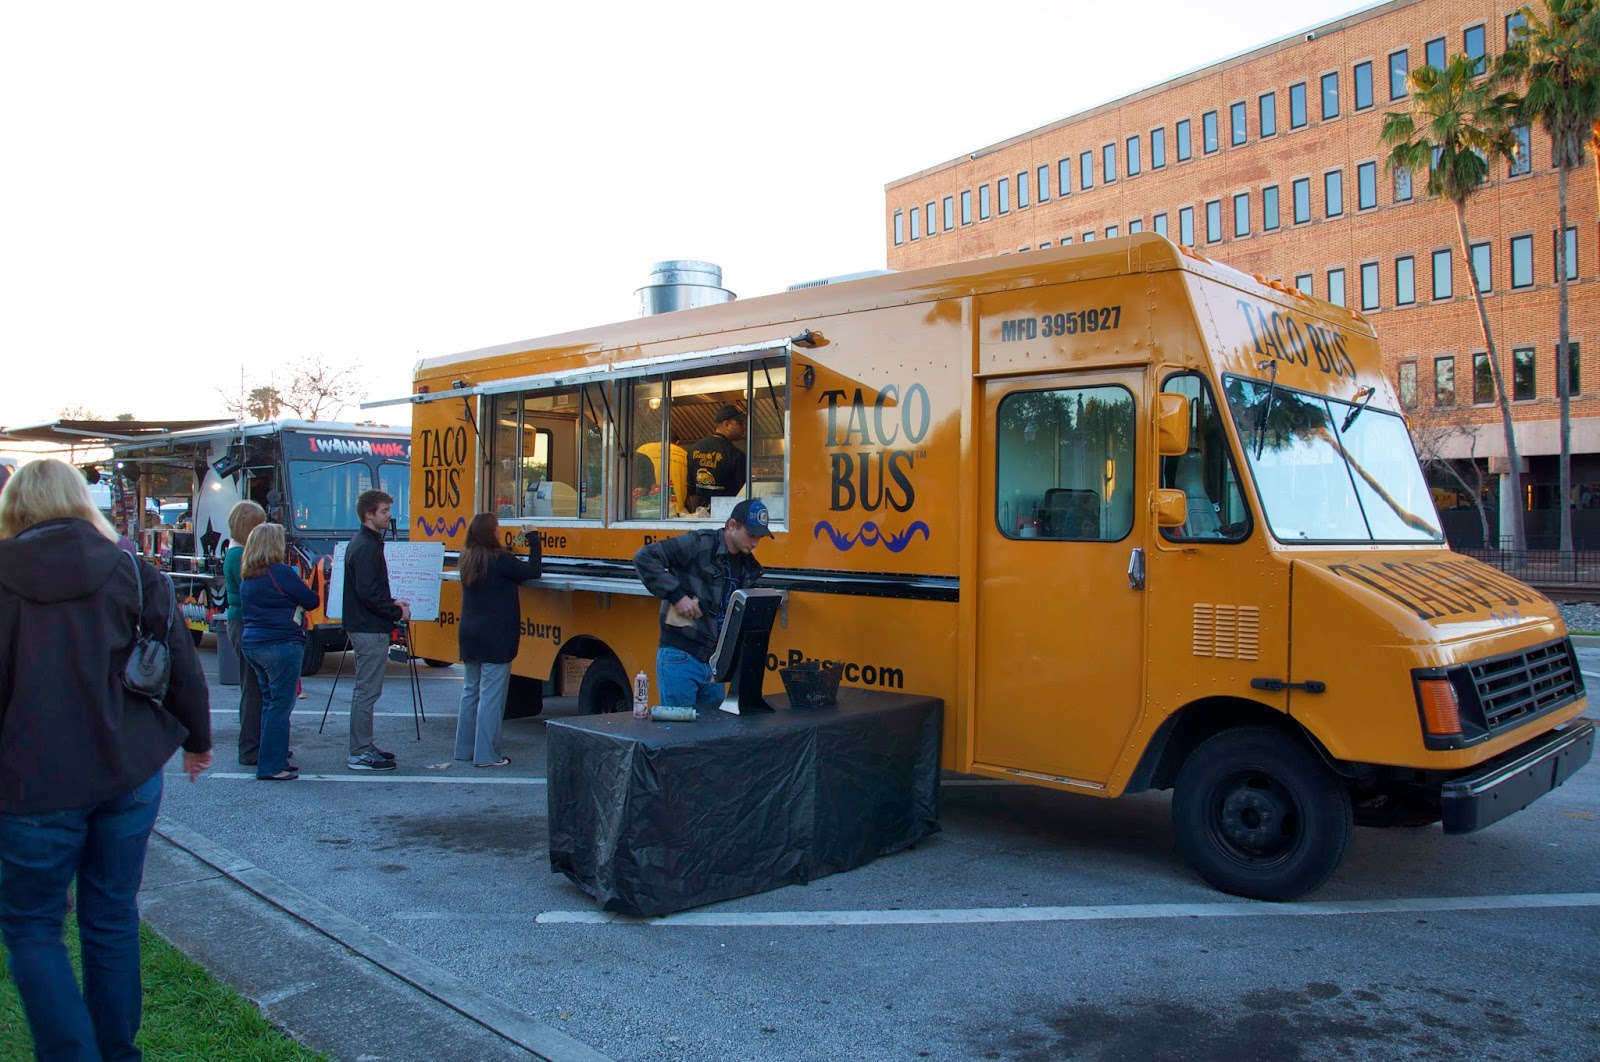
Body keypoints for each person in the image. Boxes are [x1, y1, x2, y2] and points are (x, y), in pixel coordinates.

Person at [0, 458, 212, 1061]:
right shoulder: (134, 571)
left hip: (33, 780)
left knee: (34, 925)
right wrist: (197, 740)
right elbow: (180, 663)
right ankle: (115, 1052)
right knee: (112, 915)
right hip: (127, 768)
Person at [632, 496, 773, 708]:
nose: (755, 543)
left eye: (760, 537)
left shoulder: (748, 567)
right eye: (751, 535)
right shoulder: (699, 542)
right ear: (732, 525)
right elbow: (644, 557)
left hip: (714, 662)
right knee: (679, 727)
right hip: (681, 656)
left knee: (711, 729)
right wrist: (677, 596)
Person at [454, 513, 541, 767]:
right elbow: (533, 571)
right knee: (491, 696)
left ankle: (464, 749)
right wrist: (534, 539)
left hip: (469, 633)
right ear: (489, 533)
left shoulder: (467, 557)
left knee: (470, 692)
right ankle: (487, 755)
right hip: (495, 635)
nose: (500, 531)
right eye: (497, 528)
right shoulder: (501, 559)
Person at [239, 523, 318, 781]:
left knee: (269, 703)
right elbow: (311, 600)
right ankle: (272, 766)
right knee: (280, 707)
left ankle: (273, 758)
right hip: (281, 643)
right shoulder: (280, 572)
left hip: (254, 643)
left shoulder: (248, 575)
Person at [342, 489, 406, 772]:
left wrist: (392, 603)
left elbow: (369, 589)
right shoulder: (366, 546)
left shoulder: (366, 542)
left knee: (367, 690)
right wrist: (396, 611)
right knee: (367, 691)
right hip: (368, 626)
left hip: (366, 623)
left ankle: (364, 746)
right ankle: (360, 751)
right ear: (369, 515)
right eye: (384, 511)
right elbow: (368, 592)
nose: (389, 516)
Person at [224, 499, 268, 765]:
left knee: (254, 687)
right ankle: (251, 747)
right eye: (259, 524)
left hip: (241, 620)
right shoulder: (239, 555)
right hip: (244, 621)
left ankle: (257, 743)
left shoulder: (236, 551)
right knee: (253, 688)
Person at [685, 404, 747, 513]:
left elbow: (691, 490)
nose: (744, 428)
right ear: (726, 425)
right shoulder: (735, 455)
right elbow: (743, 492)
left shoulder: (694, 449)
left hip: (701, 515)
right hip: (726, 514)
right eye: (740, 424)